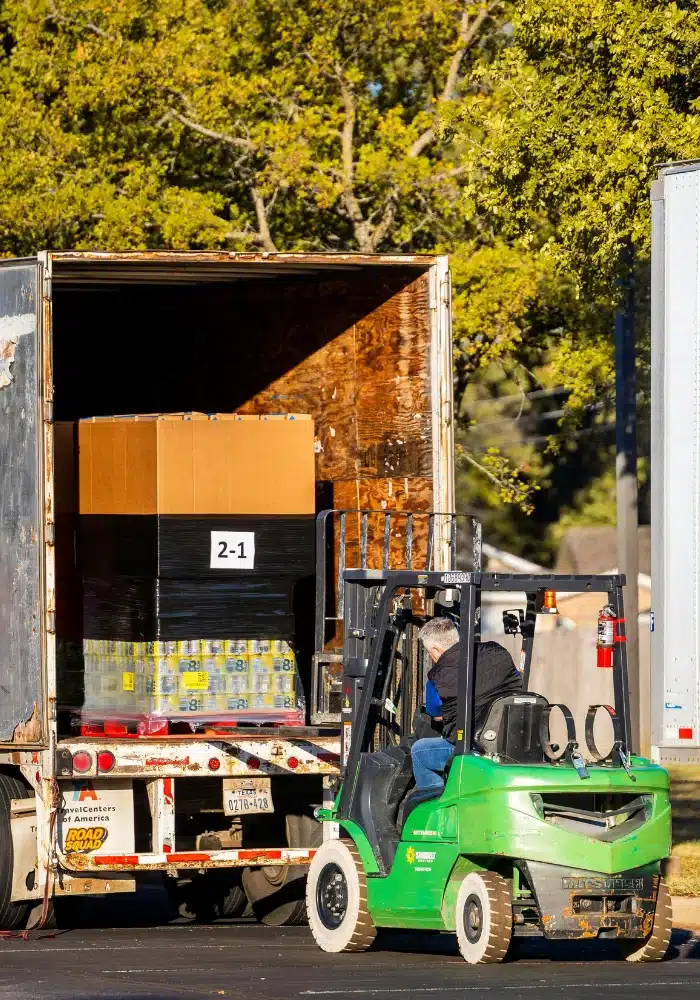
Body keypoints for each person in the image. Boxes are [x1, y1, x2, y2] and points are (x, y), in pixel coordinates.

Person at [410, 617, 522, 792]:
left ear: (435, 650)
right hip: (514, 736)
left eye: (429, 652)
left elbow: (437, 714)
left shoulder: (437, 676)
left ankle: (438, 801)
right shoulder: (497, 651)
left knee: (419, 751)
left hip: (478, 746)